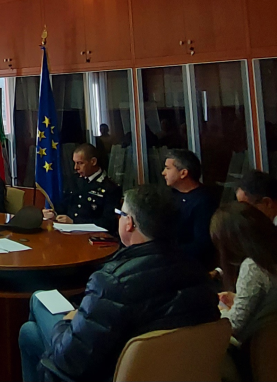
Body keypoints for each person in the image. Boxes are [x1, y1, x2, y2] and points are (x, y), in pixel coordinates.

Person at [19, 184, 219, 382]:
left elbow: (71, 358)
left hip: (113, 372)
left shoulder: (112, 281)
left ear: (129, 223)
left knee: (38, 299)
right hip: (173, 371)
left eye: (120, 214)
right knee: (29, 333)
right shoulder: (199, 272)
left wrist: (67, 321)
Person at [212, 202, 277, 341]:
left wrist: (219, 312)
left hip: (254, 346)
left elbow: (235, 325)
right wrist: (237, 298)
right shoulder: (270, 257)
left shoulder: (253, 267)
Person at [43, 143, 122, 234]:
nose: (75, 167)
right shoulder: (74, 180)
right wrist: (53, 213)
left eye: (80, 163)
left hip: (94, 237)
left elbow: (108, 223)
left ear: (93, 162)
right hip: (67, 233)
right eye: (75, 163)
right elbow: (65, 205)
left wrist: (75, 222)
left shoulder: (110, 188)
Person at [163, 148, 218, 269]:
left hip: (188, 266)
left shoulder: (204, 201)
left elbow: (202, 244)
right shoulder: (170, 194)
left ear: (183, 173)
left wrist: (166, 251)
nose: (163, 173)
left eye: (167, 168)